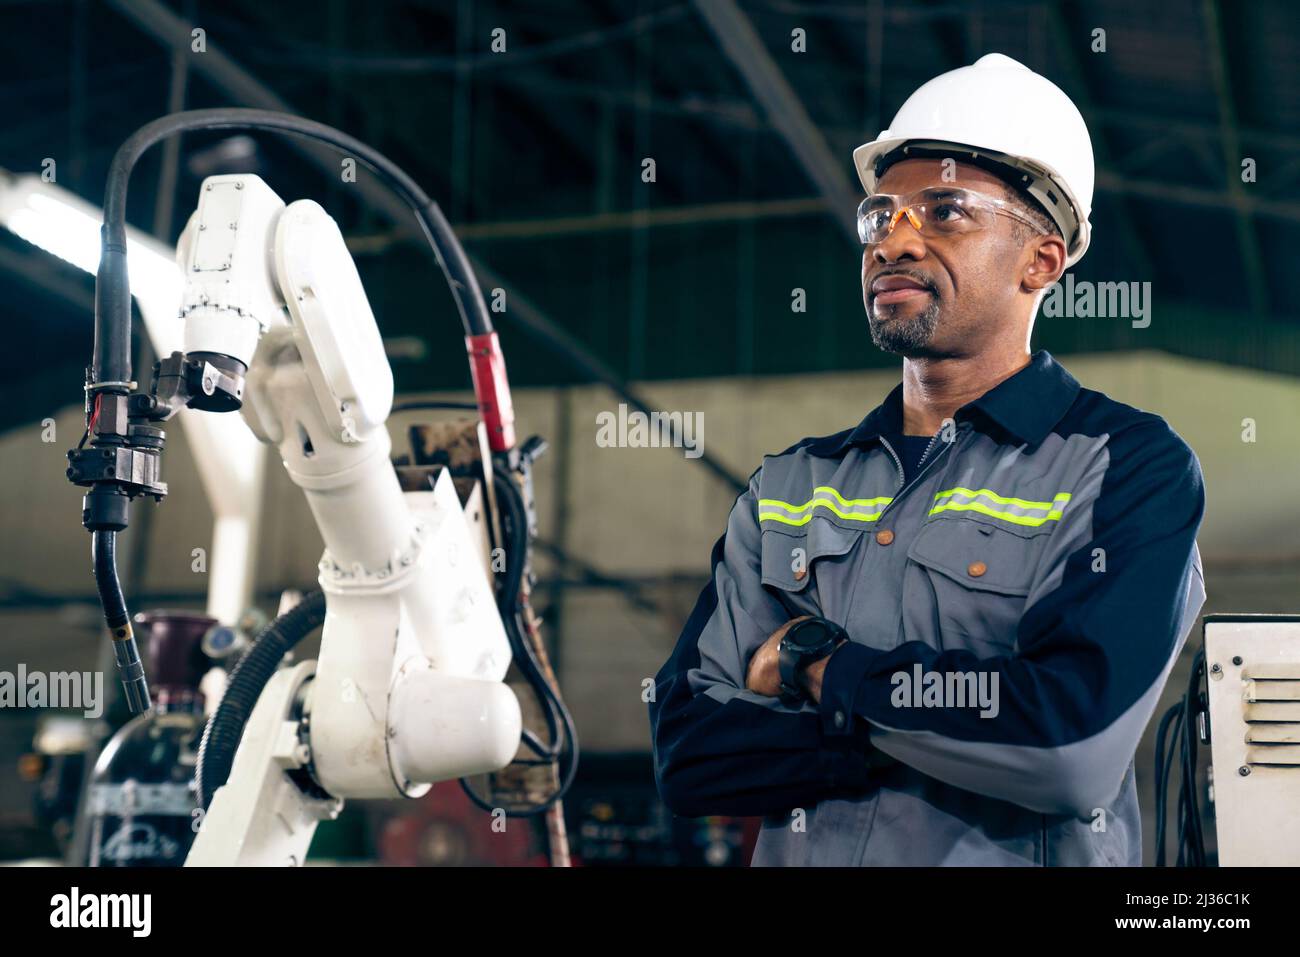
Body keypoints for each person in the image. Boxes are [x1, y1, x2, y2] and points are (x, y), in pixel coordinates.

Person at [648, 54, 1205, 866]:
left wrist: (819, 669)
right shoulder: (791, 486)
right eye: (881, 216)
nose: (892, 242)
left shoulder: (1122, 465)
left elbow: (1067, 743)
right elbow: (691, 752)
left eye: (943, 211)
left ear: (1041, 261)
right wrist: (931, 729)